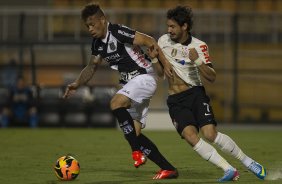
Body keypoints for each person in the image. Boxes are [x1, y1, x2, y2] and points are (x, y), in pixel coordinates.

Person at [147, 5, 267, 182]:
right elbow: (159, 73)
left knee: (210, 134)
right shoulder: (163, 40)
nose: (169, 30)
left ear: (184, 26)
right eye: (168, 26)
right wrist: (154, 59)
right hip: (175, 99)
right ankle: (229, 169)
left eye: (172, 26)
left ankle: (248, 161)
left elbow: (211, 76)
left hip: (195, 94)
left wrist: (196, 60)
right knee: (190, 136)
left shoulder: (199, 46)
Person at [63, 3, 178, 179]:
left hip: (144, 77)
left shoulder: (117, 32)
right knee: (133, 134)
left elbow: (149, 41)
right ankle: (168, 169)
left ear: (103, 20)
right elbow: (92, 66)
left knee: (115, 103)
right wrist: (77, 83)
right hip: (131, 84)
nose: (90, 29)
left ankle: (136, 152)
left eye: (93, 24)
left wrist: (165, 63)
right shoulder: (97, 43)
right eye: (87, 26)